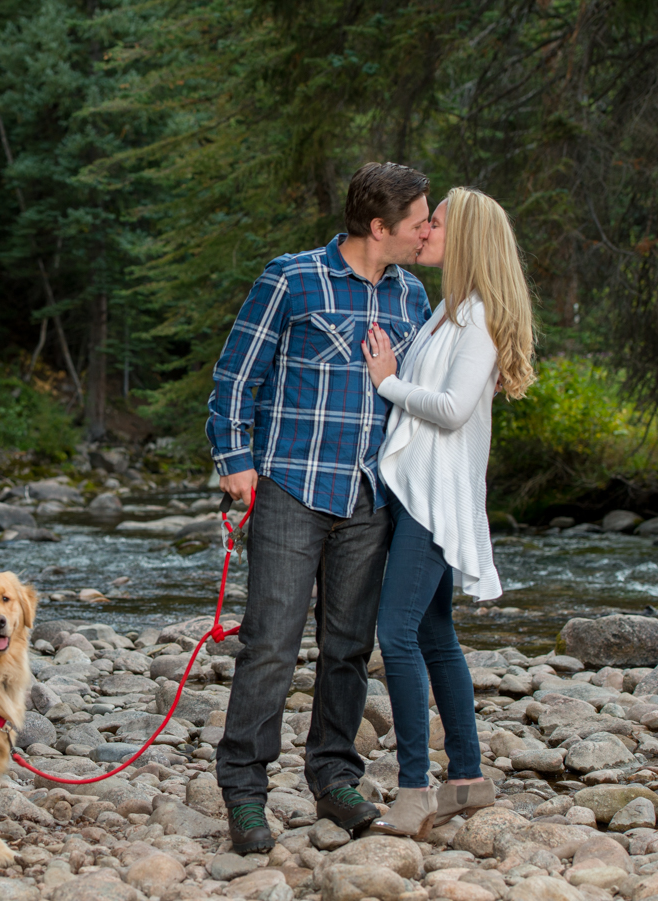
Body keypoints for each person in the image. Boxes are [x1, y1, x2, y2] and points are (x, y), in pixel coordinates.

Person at [207, 162, 434, 854]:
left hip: (370, 499)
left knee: (346, 649)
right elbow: (235, 374)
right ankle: (244, 791)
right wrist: (235, 461)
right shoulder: (292, 278)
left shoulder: (412, 296)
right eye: (417, 220)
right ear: (378, 226)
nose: (426, 230)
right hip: (289, 490)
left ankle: (334, 776)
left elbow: (421, 393)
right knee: (271, 645)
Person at [360, 187, 537, 837]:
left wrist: (388, 382)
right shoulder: (447, 311)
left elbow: (454, 408)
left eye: (435, 222)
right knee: (435, 634)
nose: (425, 229)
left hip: (437, 498)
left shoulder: (481, 318)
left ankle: (413, 788)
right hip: (419, 490)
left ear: (464, 239)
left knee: (396, 633)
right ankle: (466, 776)